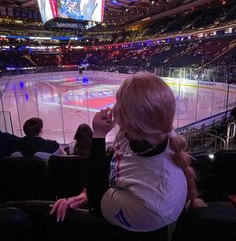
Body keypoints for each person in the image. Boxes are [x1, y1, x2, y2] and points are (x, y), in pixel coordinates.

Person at [50, 72, 206, 231]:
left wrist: (98, 135)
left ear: (133, 121)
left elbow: (98, 203)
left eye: (119, 104)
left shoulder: (153, 204)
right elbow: (109, 168)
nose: (113, 108)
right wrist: (85, 193)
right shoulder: (138, 136)